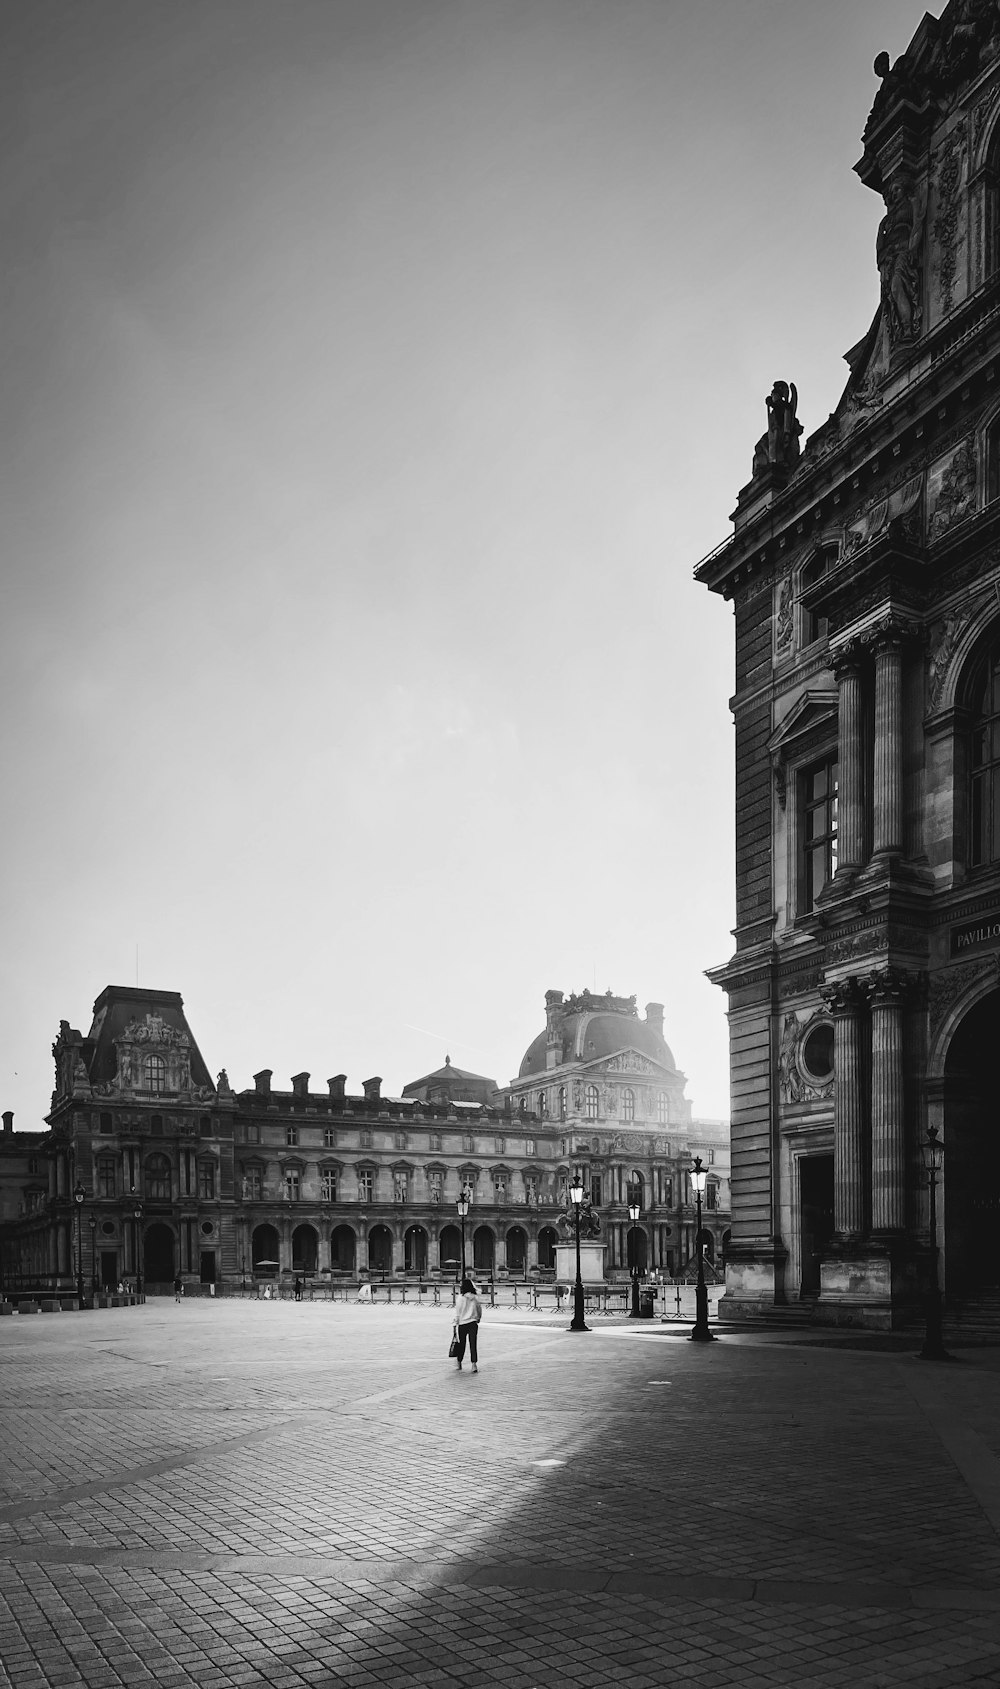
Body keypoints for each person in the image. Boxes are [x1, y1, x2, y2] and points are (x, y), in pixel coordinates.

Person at [454, 1277, 483, 1373]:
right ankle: (474, 1364)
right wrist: (478, 1318)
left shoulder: (460, 1298)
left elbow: (458, 1311)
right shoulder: (475, 1298)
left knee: (461, 1344)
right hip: (472, 1322)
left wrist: (456, 1321)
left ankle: (459, 1362)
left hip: (462, 1323)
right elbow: (479, 1309)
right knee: (473, 1344)